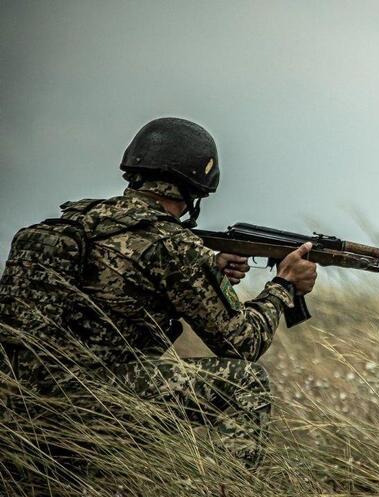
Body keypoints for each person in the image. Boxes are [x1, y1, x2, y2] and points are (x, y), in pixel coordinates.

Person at [0, 117, 317, 477]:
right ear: (194, 188)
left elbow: (119, 280)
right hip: (84, 408)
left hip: (17, 407)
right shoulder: (171, 244)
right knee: (246, 382)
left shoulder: (77, 225)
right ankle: (232, 487)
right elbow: (243, 343)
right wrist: (282, 286)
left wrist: (207, 268)